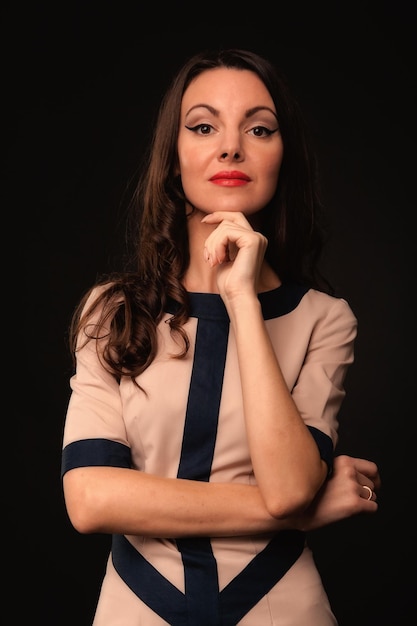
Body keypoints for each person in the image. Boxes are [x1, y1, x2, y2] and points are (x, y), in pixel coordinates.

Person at [61, 48, 381, 625]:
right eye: (204, 126)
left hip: (281, 605)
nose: (231, 146)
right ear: (173, 158)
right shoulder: (112, 311)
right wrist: (300, 514)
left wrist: (241, 299)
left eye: (259, 128)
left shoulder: (325, 319)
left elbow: (288, 487)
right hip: (137, 605)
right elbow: (90, 500)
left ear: (284, 158)